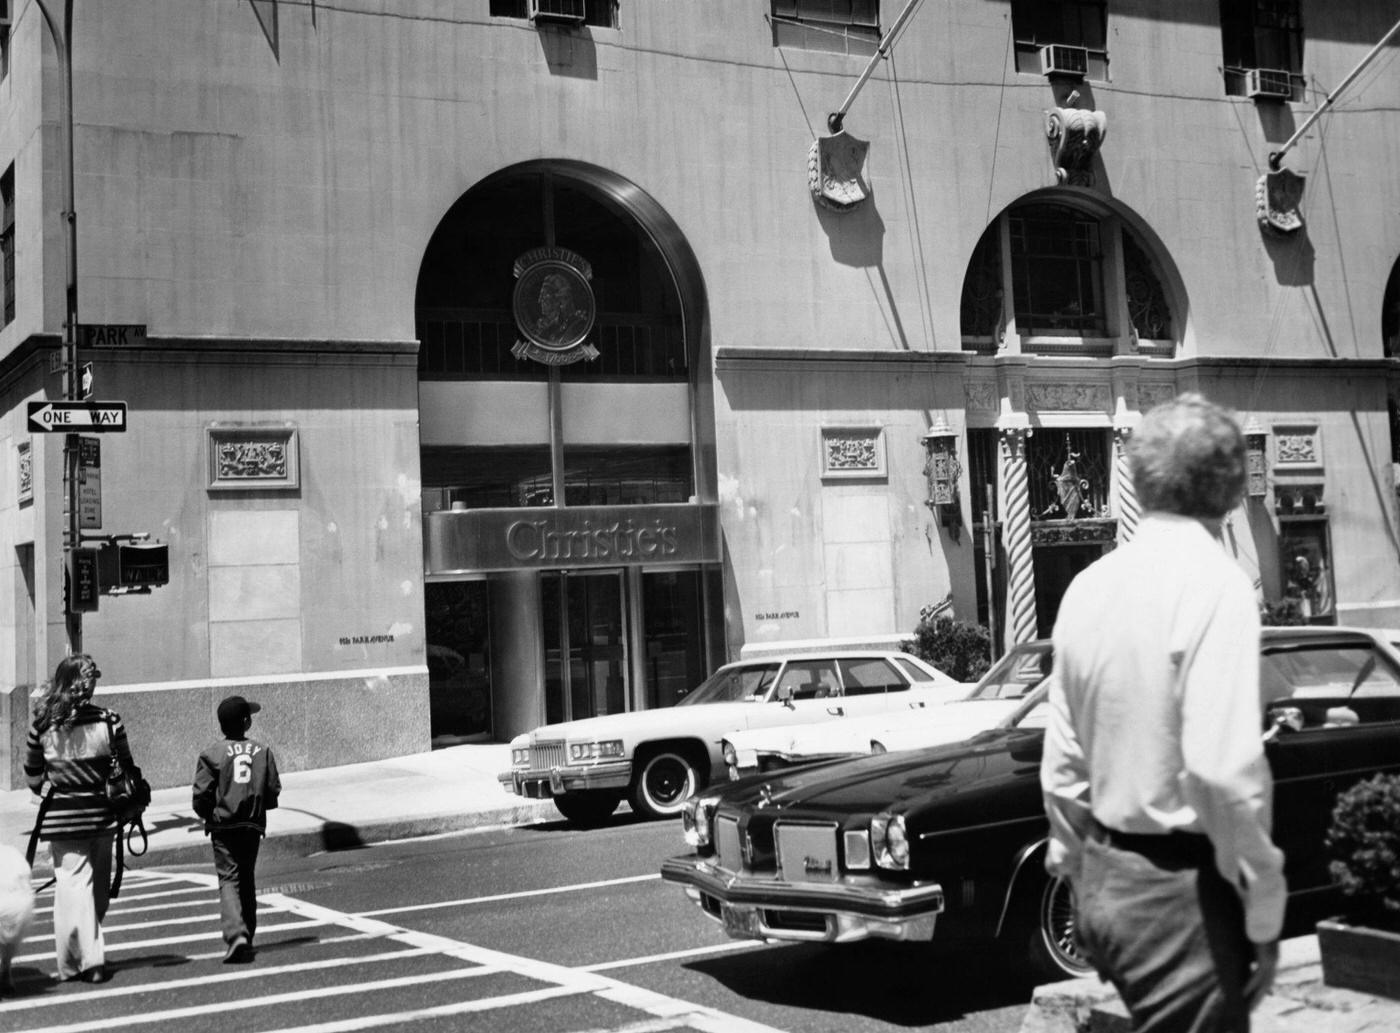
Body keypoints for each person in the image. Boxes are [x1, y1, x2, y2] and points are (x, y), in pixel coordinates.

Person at [1040, 393, 1285, 1033]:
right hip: (1178, 896)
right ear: (1232, 486)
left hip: (1103, 882)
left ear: (1140, 480)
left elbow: (1062, 767)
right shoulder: (1218, 583)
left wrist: (1079, 873)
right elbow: (1221, 773)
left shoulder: (1089, 586)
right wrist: (1264, 905)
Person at [22, 654, 132, 983]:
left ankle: (78, 961)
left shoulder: (41, 725)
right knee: (97, 891)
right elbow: (126, 766)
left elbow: (32, 777)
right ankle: (89, 959)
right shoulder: (110, 720)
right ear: (87, 683)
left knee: (74, 889)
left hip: (64, 817)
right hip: (102, 814)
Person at [192, 695, 281, 964]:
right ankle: (249, 934)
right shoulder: (262, 751)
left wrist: (209, 814)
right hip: (251, 824)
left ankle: (236, 934)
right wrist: (261, 805)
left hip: (224, 824)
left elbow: (201, 795)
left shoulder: (211, 754)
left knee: (228, 878)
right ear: (246, 722)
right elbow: (272, 789)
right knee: (247, 877)